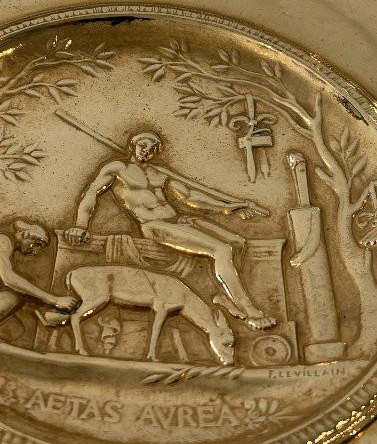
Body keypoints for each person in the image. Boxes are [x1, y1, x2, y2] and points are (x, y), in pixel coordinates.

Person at [65, 132, 275, 329]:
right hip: (154, 226)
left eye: (152, 148)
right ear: (133, 145)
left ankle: (222, 293)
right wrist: (80, 225)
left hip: (179, 220)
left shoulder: (159, 173)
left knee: (237, 242)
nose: (147, 150)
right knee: (221, 249)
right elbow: (91, 193)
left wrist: (229, 207)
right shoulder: (118, 168)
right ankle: (248, 309)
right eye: (143, 145)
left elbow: (190, 197)